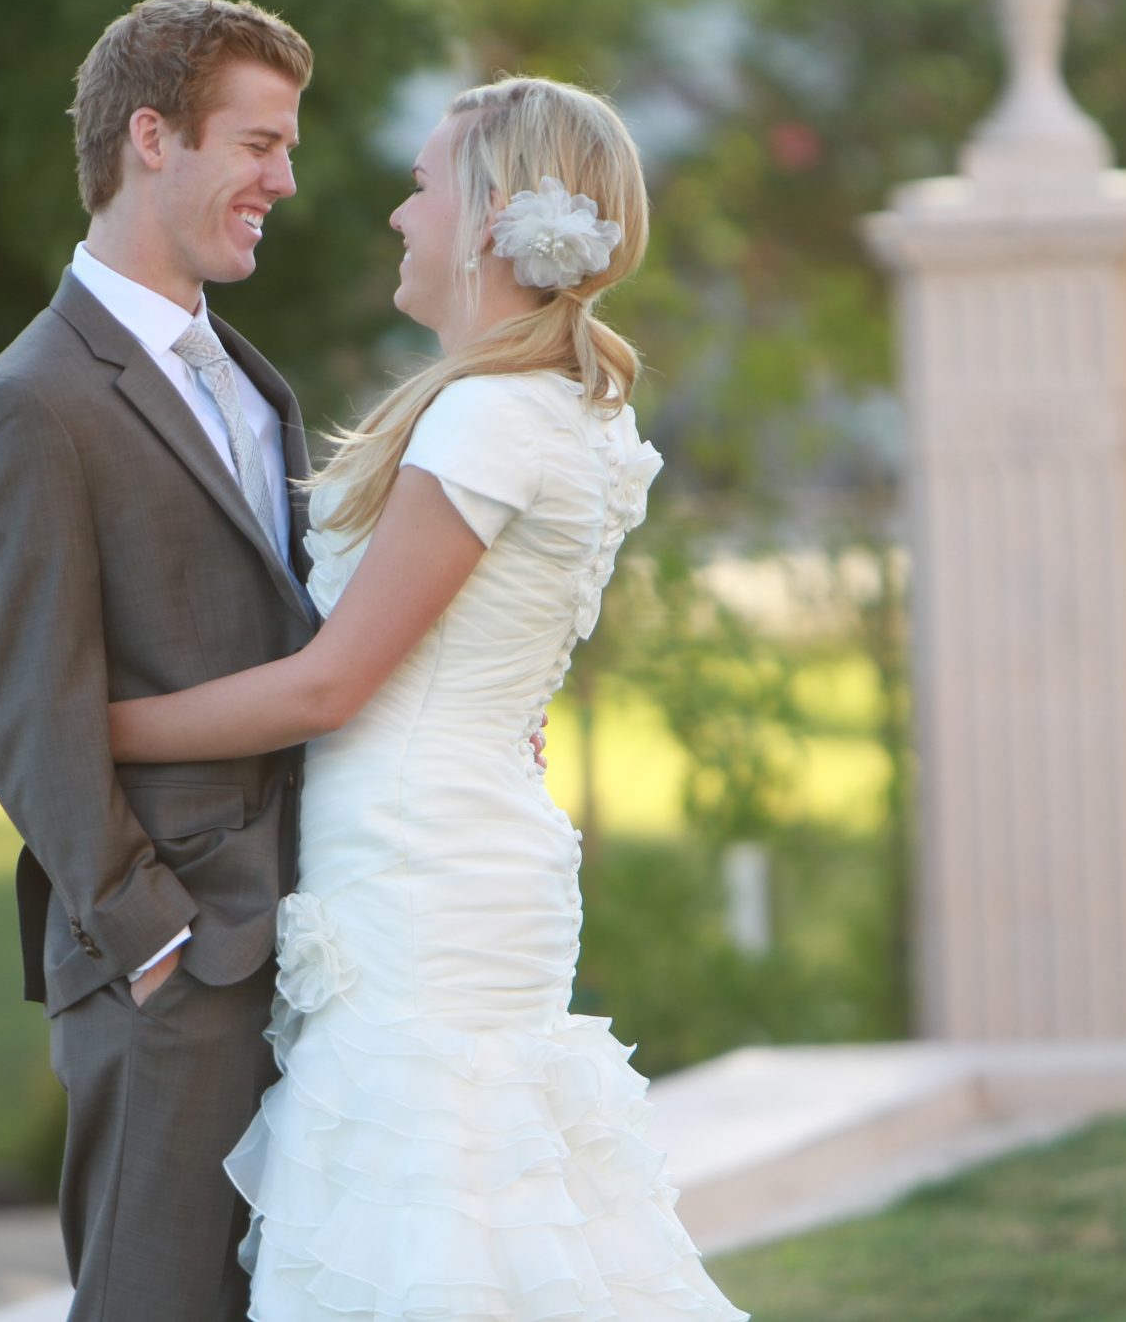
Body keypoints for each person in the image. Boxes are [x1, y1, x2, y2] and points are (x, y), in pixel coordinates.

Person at [105, 77, 752, 1320]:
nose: (398, 217)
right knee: (474, 1232)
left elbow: (330, 681)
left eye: (417, 187)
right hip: (465, 848)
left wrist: (90, 727)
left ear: (489, 210)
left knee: (425, 1242)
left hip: (419, 882)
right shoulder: (563, 407)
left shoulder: (486, 416)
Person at [0, 0, 323, 1322]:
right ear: (152, 138)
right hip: (173, 970)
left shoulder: (254, 381)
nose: (285, 178)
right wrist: (153, 935)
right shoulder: (31, 403)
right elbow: (26, 708)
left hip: (311, 940)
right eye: (259, 143)